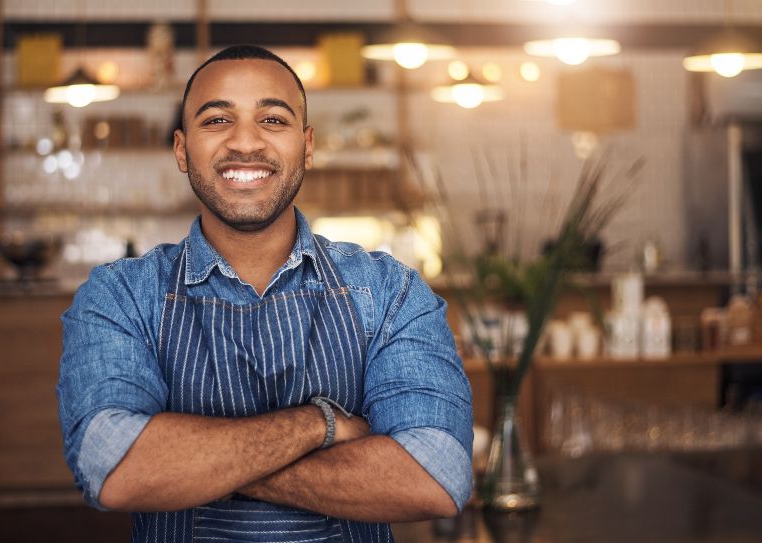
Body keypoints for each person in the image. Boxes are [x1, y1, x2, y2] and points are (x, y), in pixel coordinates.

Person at [57, 44, 473, 543]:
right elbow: (116, 468)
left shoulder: (390, 292)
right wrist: (317, 425)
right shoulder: (121, 296)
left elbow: (435, 476)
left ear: (308, 145)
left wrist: (199, 467)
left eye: (273, 120)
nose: (245, 143)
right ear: (182, 149)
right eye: (216, 121)